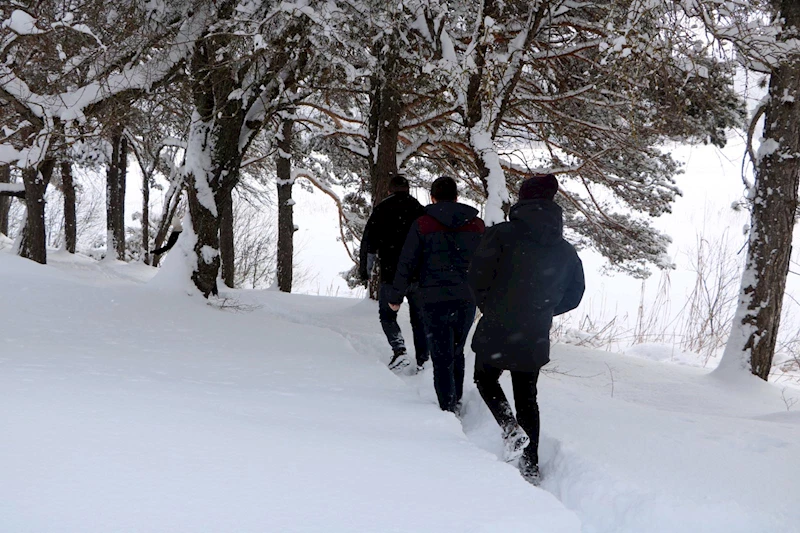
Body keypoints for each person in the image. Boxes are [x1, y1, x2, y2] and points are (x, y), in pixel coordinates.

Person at [468, 174, 584, 486]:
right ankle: (530, 465)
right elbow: (574, 295)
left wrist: (491, 304)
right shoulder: (565, 250)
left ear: (523, 199)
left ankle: (509, 427)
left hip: (498, 323)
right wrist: (542, 309)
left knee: (485, 377)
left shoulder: (501, 235)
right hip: (533, 332)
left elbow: (477, 275)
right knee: (527, 397)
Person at [389, 176, 485, 413]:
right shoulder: (477, 225)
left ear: (432, 197)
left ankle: (448, 406)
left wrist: (396, 296)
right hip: (466, 297)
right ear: (456, 197)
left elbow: (407, 261)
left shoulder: (422, 224)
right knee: (457, 351)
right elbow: (487, 262)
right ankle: (457, 399)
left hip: (433, 298)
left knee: (441, 355)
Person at [359, 174, 428, 374]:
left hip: (391, 274)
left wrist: (366, 271)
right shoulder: (420, 210)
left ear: (389, 190)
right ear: (408, 189)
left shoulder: (381, 210)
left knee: (387, 315)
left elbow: (369, 244)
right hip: (418, 275)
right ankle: (424, 360)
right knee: (420, 319)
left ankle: (400, 351)